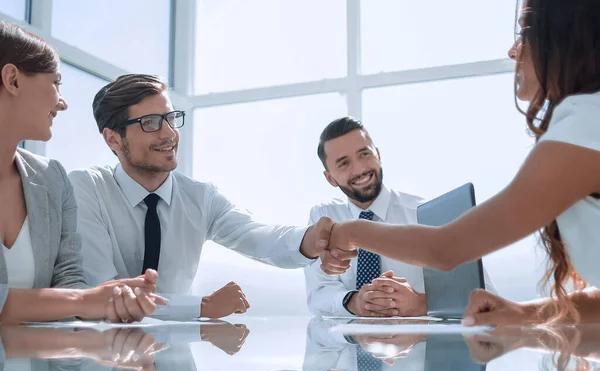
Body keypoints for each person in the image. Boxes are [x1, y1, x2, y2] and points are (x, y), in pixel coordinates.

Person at [323, 0, 600, 326]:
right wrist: (522, 313)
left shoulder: (586, 123)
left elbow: (445, 249)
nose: (513, 51)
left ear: (568, 39)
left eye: (526, 32)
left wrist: (350, 231)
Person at [69, 74, 347, 320]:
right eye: (150, 123)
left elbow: (257, 235)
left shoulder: (200, 197)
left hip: (173, 362)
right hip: (103, 361)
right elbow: (105, 292)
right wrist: (201, 307)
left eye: (170, 118)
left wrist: (310, 241)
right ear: (113, 139)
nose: (169, 134)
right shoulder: (87, 188)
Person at [0, 22, 165, 324]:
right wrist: (83, 300)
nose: (62, 103)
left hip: (35, 367)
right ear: (13, 80)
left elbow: (69, 283)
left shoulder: (51, 177)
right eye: (56, 83)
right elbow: (73, 299)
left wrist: (109, 301)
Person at [304, 117, 496, 317]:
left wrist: (423, 304)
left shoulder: (426, 213)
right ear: (330, 178)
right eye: (344, 163)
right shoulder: (324, 220)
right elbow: (318, 294)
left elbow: (488, 296)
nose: (360, 169)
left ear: (378, 154)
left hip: (423, 346)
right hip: (348, 345)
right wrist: (355, 302)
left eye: (364, 154)